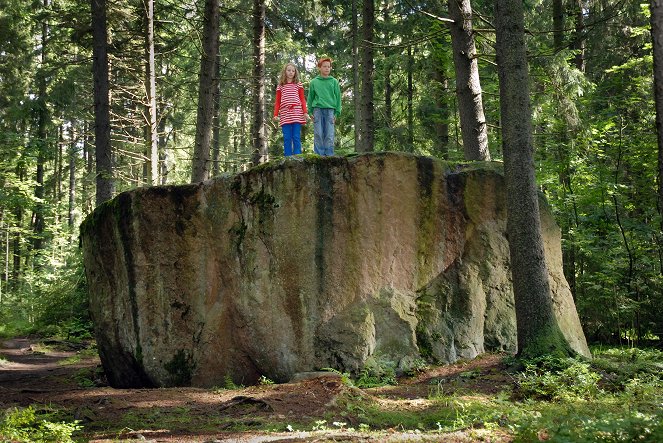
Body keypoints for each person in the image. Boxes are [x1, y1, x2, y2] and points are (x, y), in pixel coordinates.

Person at [307, 57, 341, 156]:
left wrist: (337, 112)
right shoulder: (314, 82)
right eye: (324, 66)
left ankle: (329, 155)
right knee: (318, 134)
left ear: (330, 68)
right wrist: (310, 112)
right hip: (317, 110)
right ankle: (319, 156)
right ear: (319, 68)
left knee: (329, 134)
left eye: (328, 67)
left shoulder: (334, 82)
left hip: (330, 111)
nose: (327, 68)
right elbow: (310, 98)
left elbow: (338, 98)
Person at [273, 62, 308, 156]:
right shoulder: (280, 86)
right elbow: (277, 102)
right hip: (285, 113)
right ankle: (287, 156)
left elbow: (302, 99)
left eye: (293, 71)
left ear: (295, 73)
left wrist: (305, 112)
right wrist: (275, 114)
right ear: (285, 72)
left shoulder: (298, 84)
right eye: (289, 70)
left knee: (296, 136)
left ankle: (298, 155)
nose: (291, 72)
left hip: (297, 112)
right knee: (287, 137)